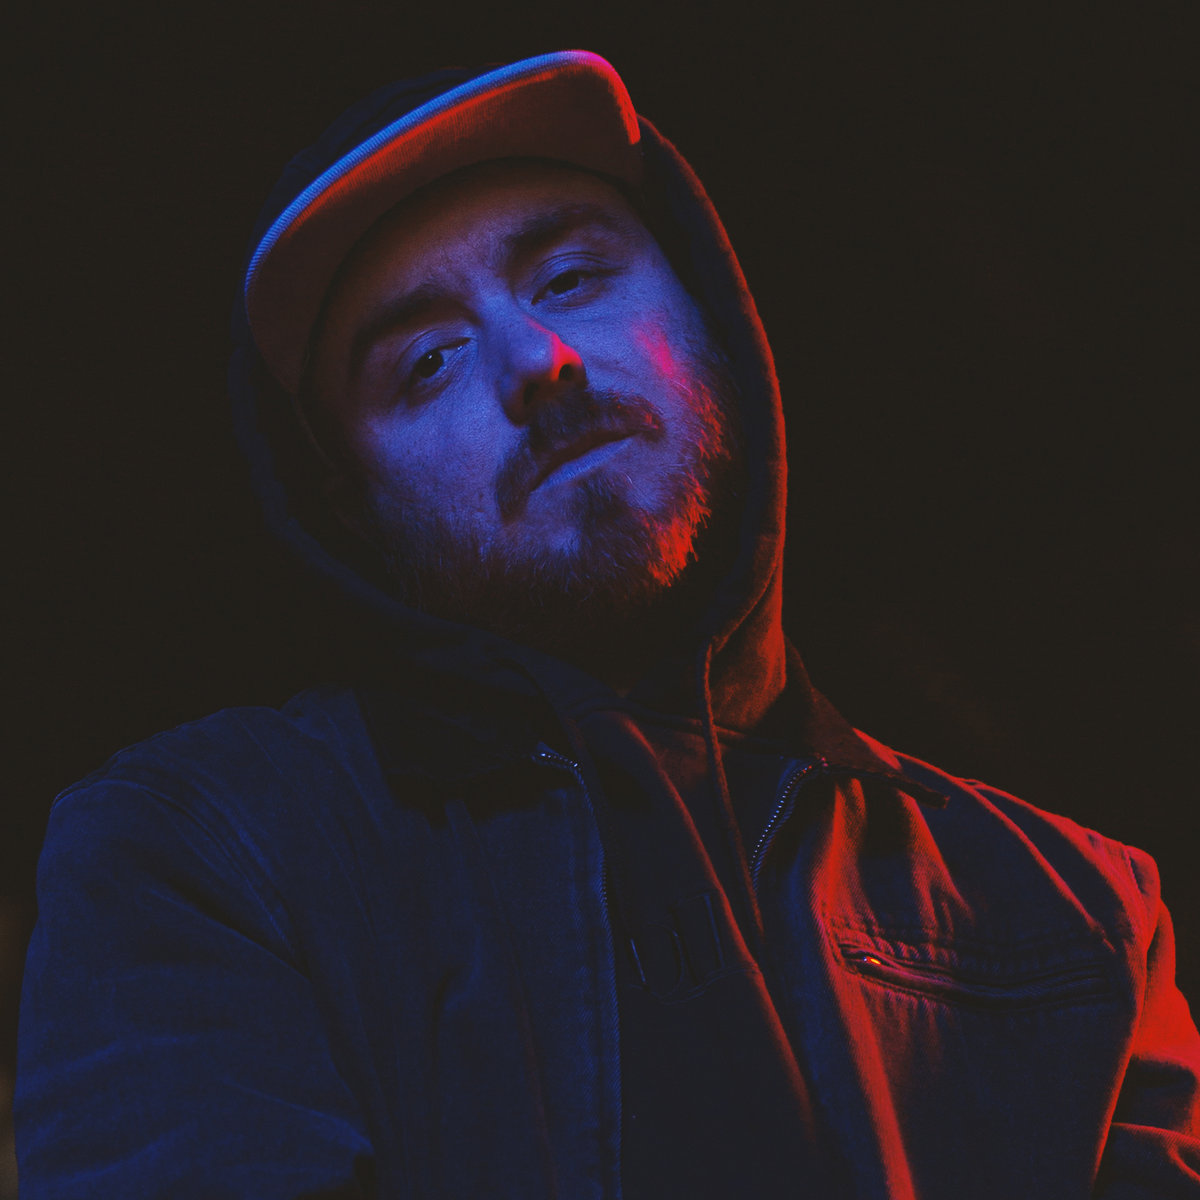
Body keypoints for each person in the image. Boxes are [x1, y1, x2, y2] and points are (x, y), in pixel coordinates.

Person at [14, 50, 1200, 1199]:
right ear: (353, 509)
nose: (538, 361)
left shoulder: (1081, 912)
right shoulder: (202, 849)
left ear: (710, 312)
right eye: (427, 363)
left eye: (572, 279)